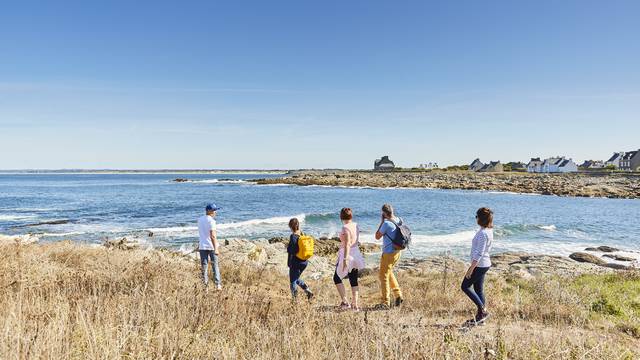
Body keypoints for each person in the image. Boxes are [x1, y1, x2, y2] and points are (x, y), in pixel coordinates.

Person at [461, 207, 494, 324]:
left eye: (476, 216)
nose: (476, 218)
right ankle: (481, 318)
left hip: (480, 265)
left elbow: (479, 253)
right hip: (484, 263)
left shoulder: (483, 233)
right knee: (478, 289)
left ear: (481, 219)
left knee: (465, 286)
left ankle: (483, 311)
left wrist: (471, 268)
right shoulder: (488, 231)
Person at [333, 208, 365, 311]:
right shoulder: (356, 225)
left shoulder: (345, 227)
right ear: (351, 216)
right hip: (356, 253)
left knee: (337, 278)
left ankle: (345, 302)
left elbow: (347, 244)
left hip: (348, 254)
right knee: (353, 279)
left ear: (341, 217)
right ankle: (355, 305)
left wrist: (345, 259)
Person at [375, 203, 404, 308]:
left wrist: (382, 222)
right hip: (398, 251)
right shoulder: (399, 220)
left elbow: (377, 236)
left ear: (383, 213)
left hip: (388, 253)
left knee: (383, 276)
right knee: (389, 273)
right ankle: (398, 295)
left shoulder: (386, 224)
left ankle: (385, 302)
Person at [287, 218, 314, 300]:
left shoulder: (293, 236)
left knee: (293, 281)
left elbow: (293, 251)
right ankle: (308, 291)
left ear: (290, 227)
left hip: (296, 262)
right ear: (298, 225)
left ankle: (294, 300)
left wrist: (288, 248)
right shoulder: (303, 234)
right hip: (304, 262)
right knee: (296, 278)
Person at [198, 203, 222, 290]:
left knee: (204, 266)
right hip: (211, 246)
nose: (215, 212)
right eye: (214, 210)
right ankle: (218, 285)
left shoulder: (200, 219)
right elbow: (213, 236)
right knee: (215, 266)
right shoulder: (212, 221)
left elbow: (201, 233)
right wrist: (216, 248)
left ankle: (205, 287)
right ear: (209, 211)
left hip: (202, 246)